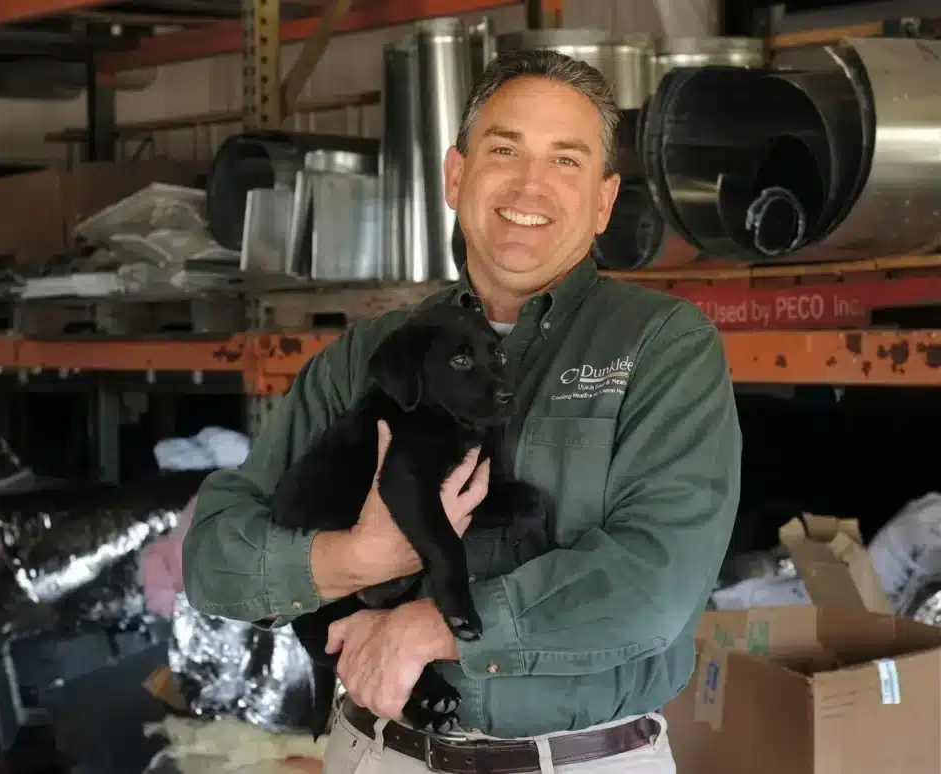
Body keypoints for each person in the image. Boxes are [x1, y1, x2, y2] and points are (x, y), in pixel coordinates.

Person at [183, 48, 742, 774]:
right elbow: (214, 558)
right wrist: (356, 558)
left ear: (604, 201)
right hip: (377, 753)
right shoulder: (370, 356)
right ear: (456, 176)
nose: (531, 184)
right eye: (505, 150)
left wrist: (432, 627)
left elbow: (655, 581)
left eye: (565, 160)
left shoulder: (661, 344)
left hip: (577, 761)